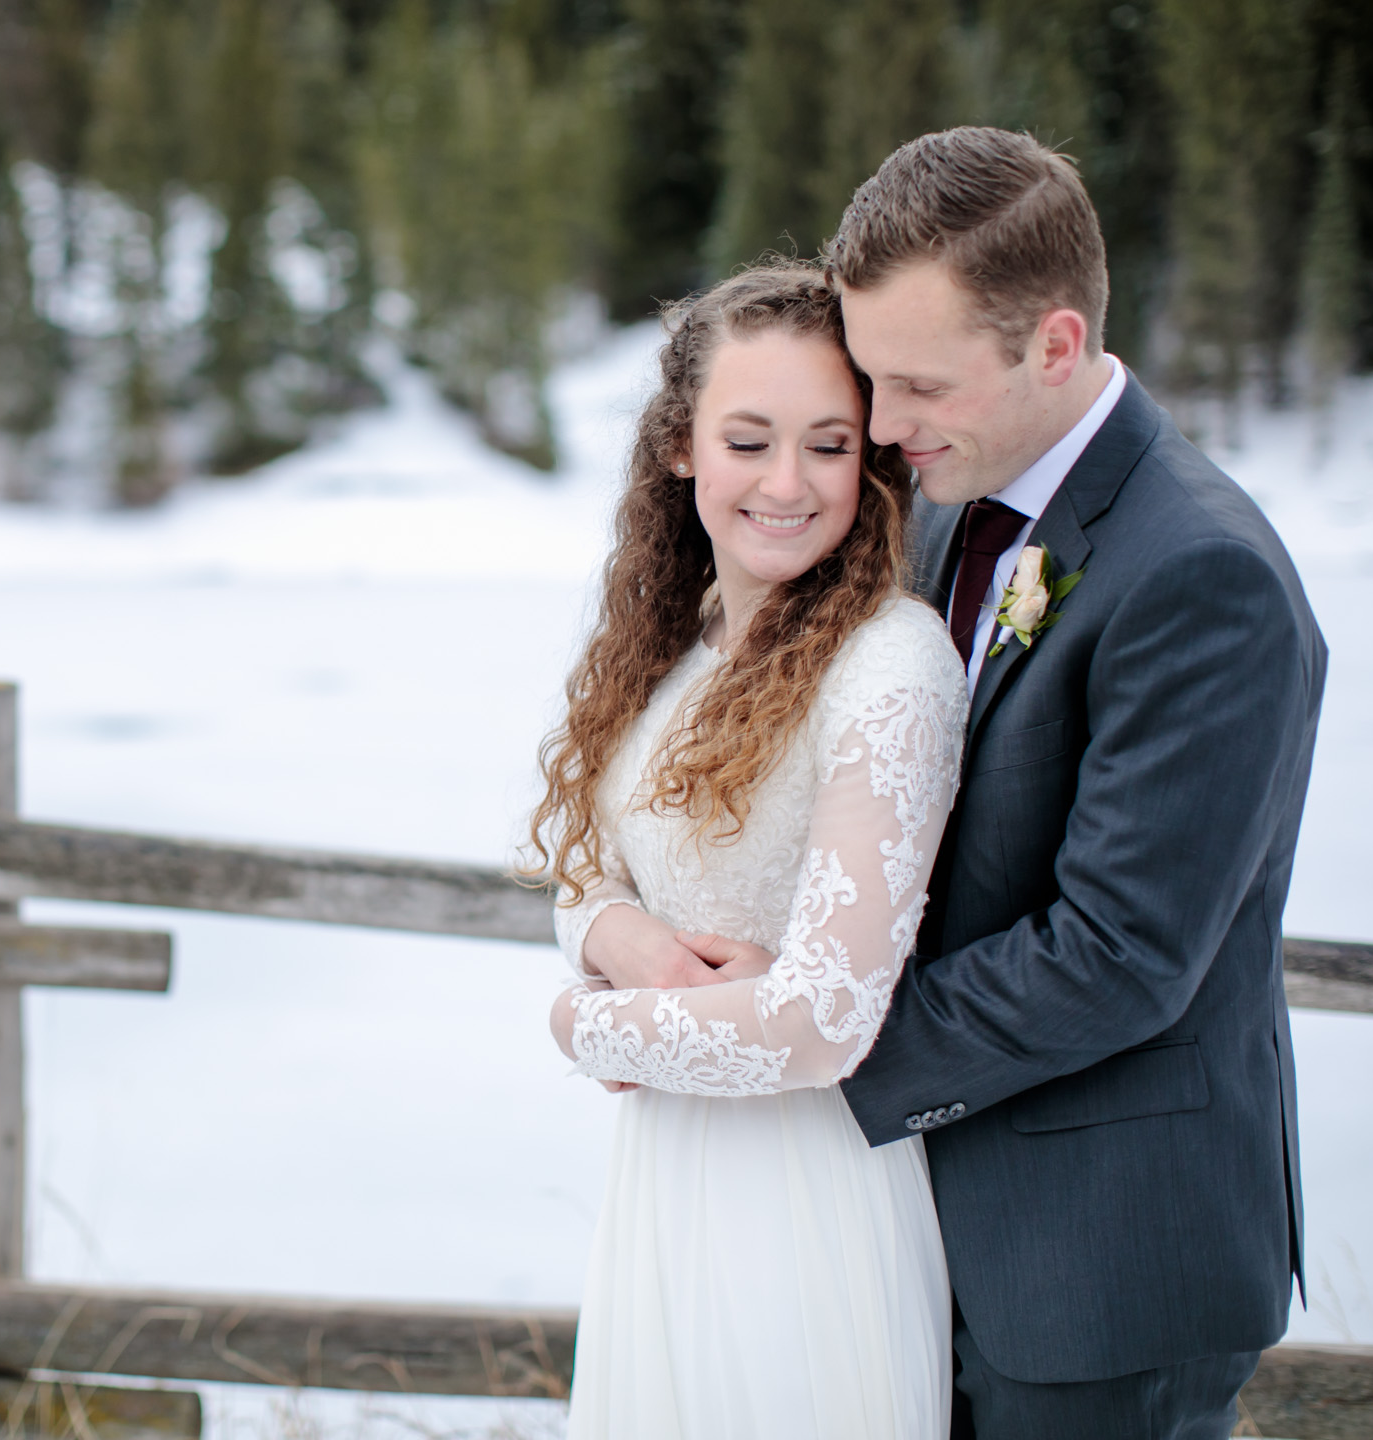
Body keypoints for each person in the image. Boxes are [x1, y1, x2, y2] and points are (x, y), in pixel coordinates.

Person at [827, 128, 1326, 1439]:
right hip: (936, 1226)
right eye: (871, 379)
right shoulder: (953, 495)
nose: (883, 426)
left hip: (1104, 1263)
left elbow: (1118, 953)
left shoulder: (1201, 579)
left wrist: (810, 1046)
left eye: (918, 384)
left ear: (1053, 345)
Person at [532, 260, 969, 1438]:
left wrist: (585, 1023)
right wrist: (625, 941)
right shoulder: (675, 642)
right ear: (679, 447)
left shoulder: (888, 663)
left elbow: (827, 1020)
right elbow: (586, 865)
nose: (789, 483)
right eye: (749, 440)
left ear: (871, 459)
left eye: (830, 445)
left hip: (807, 1191)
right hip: (669, 1179)